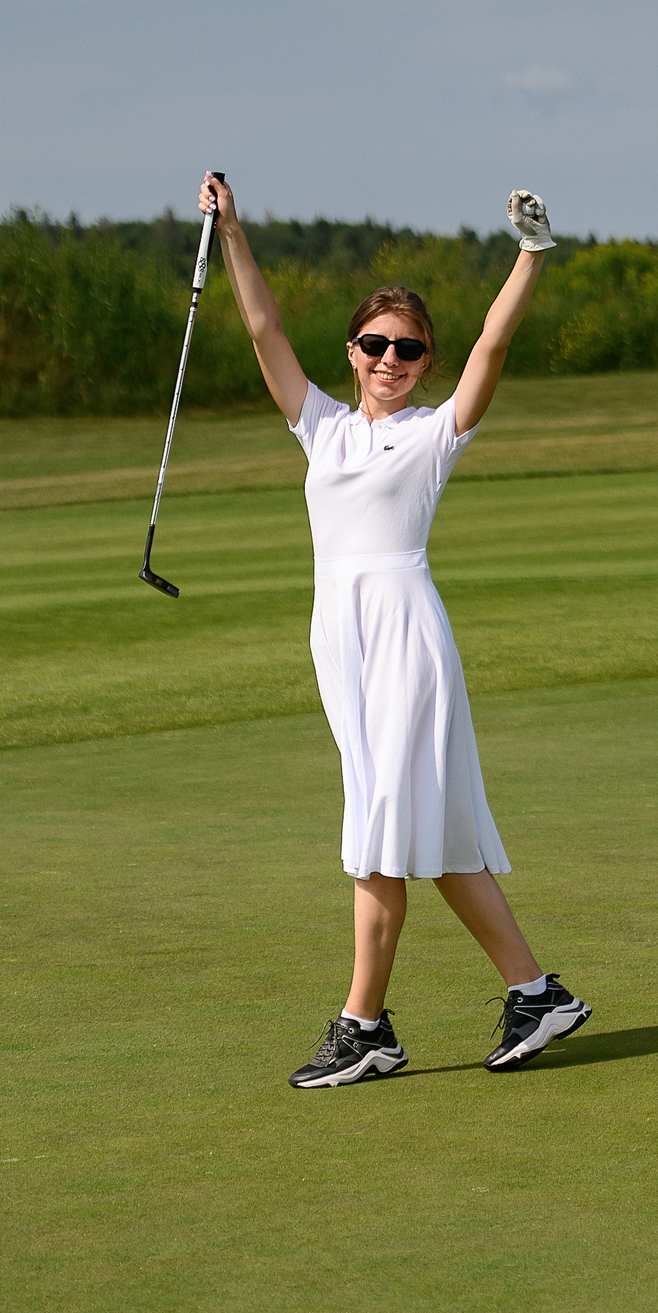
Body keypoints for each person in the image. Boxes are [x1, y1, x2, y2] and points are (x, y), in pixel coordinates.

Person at [198, 173, 592, 1088]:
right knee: (430, 834)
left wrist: (531, 257)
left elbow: (492, 348)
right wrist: (232, 233)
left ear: (423, 360)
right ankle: (536, 993)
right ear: (352, 350)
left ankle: (364, 1024)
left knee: (382, 832)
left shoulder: (433, 434)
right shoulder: (321, 427)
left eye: (408, 348)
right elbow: (262, 328)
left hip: (406, 639)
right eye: (375, 343)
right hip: (342, 640)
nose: (390, 358)